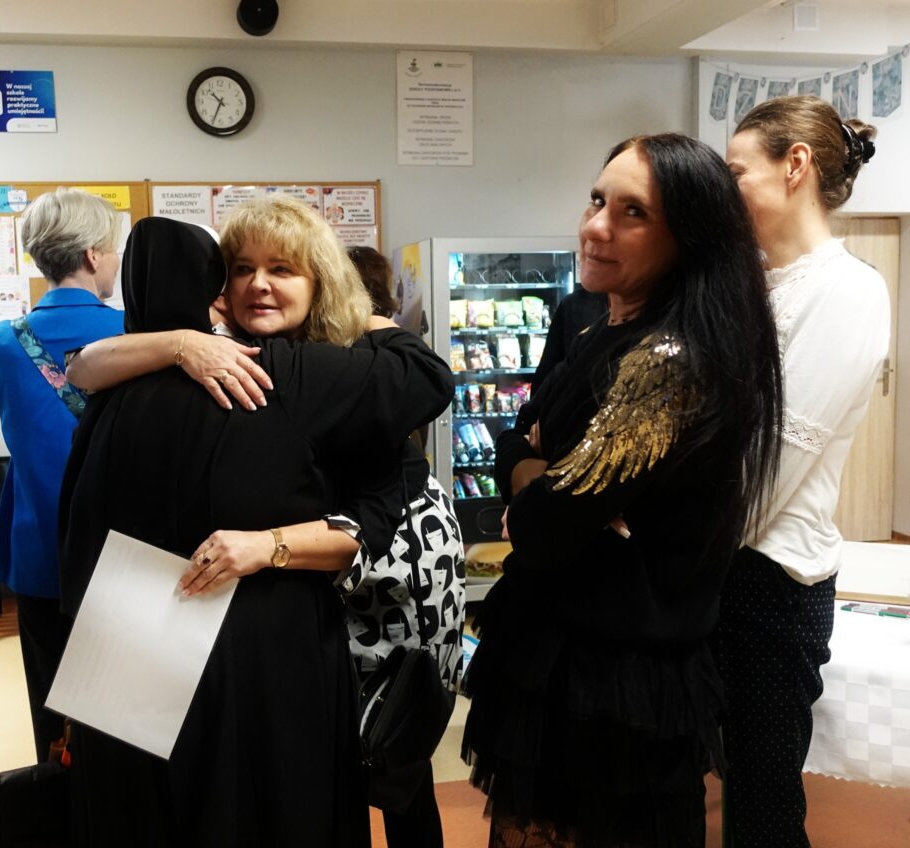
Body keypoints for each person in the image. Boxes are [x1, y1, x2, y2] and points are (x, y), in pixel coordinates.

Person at [59, 208, 454, 846]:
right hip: (255, 636)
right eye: (241, 269)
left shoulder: (109, 396)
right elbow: (428, 377)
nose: (258, 284)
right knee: (264, 804)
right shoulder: (276, 371)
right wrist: (187, 343)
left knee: (141, 810)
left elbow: (79, 376)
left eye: (283, 269)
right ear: (217, 287)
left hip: (131, 629)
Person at [460, 133, 783, 848]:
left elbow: (542, 525)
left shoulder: (668, 361)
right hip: (566, 652)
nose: (596, 226)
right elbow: (525, 443)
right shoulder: (602, 332)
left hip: (611, 682)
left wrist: (532, 472)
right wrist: (528, 462)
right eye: (597, 200)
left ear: (689, 238)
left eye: (633, 212)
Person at [717, 95, 890, 847]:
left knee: (764, 801)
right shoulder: (754, 279)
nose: (726, 190)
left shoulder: (849, 289)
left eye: (736, 172)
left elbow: (772, 464)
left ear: (796, 165)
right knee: (726, 781)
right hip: (718, 561)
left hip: (770, 578)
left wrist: (669, 543)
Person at [0, 188, 124, 763]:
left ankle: (57, 791)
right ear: (92, 255)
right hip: (120, 546)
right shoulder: (136, 332)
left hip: (37, 547)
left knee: (51, 698)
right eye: (112, 248)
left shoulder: (0, 342)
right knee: (124, 708)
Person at [343, 244, 466, 848]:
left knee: (375, 741)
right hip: (427, 546)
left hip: (392, 552)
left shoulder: (362, 358)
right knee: (405, 750)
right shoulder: (388, 354)